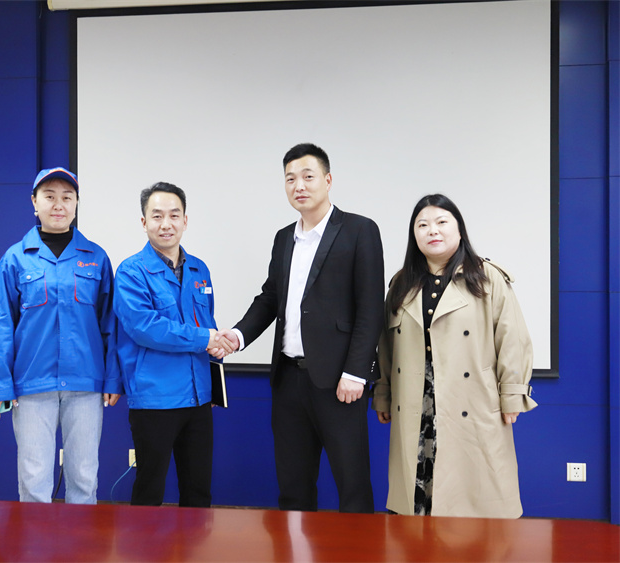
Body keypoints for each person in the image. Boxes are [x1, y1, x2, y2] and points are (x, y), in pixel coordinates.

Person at [216, 143, 385, 513]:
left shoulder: (359, 230)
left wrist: (356, 372)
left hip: (340, 382)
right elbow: (270, 297)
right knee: (293, 487)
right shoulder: (284, 238)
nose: (299, 186)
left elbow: (371, 308)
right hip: (289, 380)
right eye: (290, 179)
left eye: (308, 176)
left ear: (328, 180)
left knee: (352, 485)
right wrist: (238, 335)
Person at [371, 193, 537, 518]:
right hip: (416, 402)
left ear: (459, 229)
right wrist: (383, 394)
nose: (432, 230)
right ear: (414, 235)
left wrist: (512, 395)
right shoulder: (402, 283)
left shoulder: (487, 278)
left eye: (441, 221)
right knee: (417, 500)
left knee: (475, 502)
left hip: (472, 400)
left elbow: (513, 340)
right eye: (422, 225)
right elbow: (386, 347)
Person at [0, 167, 121, 504]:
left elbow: (110, 323)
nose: (58, 205)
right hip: (33, 384)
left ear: (76, 204)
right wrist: (0, 385)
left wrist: (112, 379)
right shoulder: (15, 258)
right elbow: (2, 324)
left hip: (86, 385)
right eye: (49, 197)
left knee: (84, 479)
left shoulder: (96, 258)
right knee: (33, 481)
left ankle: (80, 540)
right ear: (34, 202)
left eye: (67, 197)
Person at [114, 182, 234, 507]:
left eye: (174, 215)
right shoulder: (131, 272)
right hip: (155, 399)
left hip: (198, 399)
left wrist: (216, 352)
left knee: (198, 492)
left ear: (185, 220)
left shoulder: (199, 269)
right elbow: (146, 328)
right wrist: (206, 338)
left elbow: (206, 323)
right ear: (144, 222)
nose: (166, 224)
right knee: (150, 490)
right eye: (157, 216)